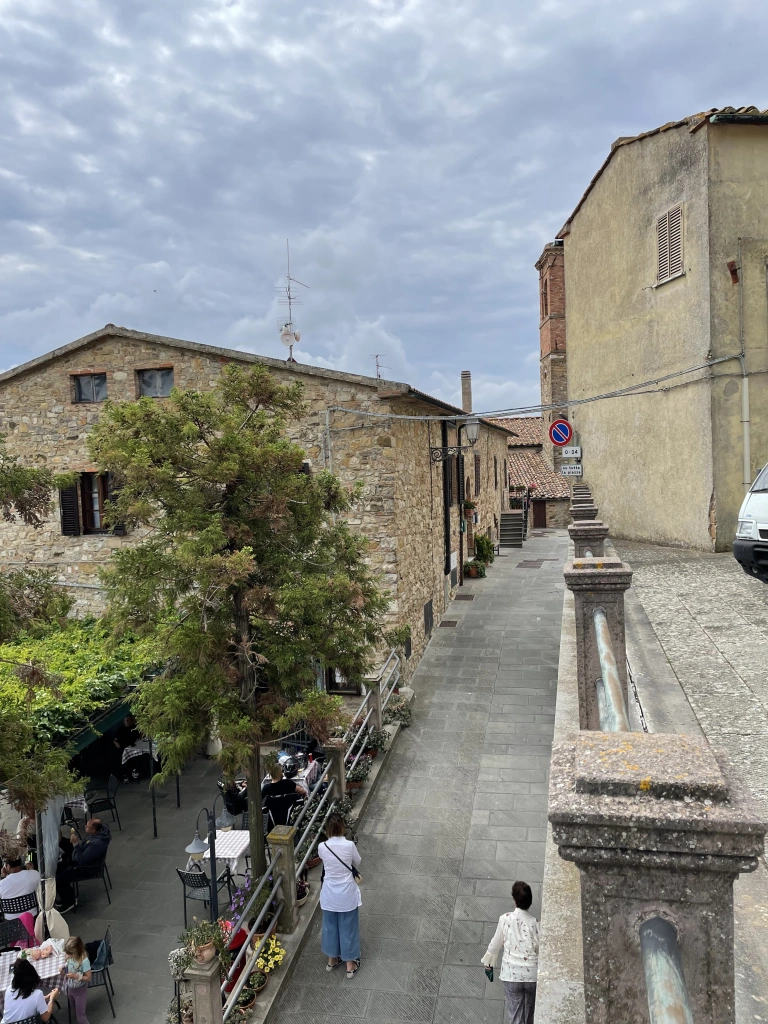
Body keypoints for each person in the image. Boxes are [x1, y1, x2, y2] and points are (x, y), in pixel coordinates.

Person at [481, 880, 540, 1024]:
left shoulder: (505, 919)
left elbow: (495, 945)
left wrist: (488, 963)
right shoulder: (535, 923)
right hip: (532, 976)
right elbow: (540, 948)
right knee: (530, 1013)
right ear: (530, 901)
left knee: (515, 1015)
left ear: (514, 900)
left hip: (511, 974)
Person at [318, 811, 361, 980]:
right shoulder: (349, 845)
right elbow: (357, 861)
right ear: (342, 827)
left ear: (328, 829)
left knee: (330, 927)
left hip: (329, 893)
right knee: (348, 927)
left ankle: (332, 959)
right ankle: (350, 965)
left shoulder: (322, 847)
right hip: (347, 893)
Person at [55, 818, 112, 913]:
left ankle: (69, 902)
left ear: (93, 830)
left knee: (58, 879)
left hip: (87, 868)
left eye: (87, 826)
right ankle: (67, 896)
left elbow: (82, 859)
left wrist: (76, 844)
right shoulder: (97, 835)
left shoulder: (96, 844)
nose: (85, 826)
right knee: (57, 868)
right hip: (83, 861)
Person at [1, 958, 59, 1022]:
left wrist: (46, 997)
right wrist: (52, 999)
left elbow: (24, 1002)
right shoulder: (37, 994)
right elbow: (46, 1018)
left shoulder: (9, 989)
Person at [63, 935, 92, 1024]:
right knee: (75, 1010)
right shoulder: (69, 958)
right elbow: (65, 972)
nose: (69, 955)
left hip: (80, 991)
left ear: (76, 951)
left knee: (81, 1018)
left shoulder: (84, 961)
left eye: (71, 953)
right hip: (70, 989)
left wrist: (76, 976)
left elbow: (88, 977)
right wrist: (63, 970)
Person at [113, 714, 141, 781]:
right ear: (124, 722)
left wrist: (139, 738)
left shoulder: (134, 728)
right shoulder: (120, 730)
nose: (129, 722)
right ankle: (126, 775)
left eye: (130, 720)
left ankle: (135, 771)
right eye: (127, 720)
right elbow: (115, 740)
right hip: (124, 747)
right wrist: (116, 743)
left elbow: (139, 735)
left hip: (134, 746)